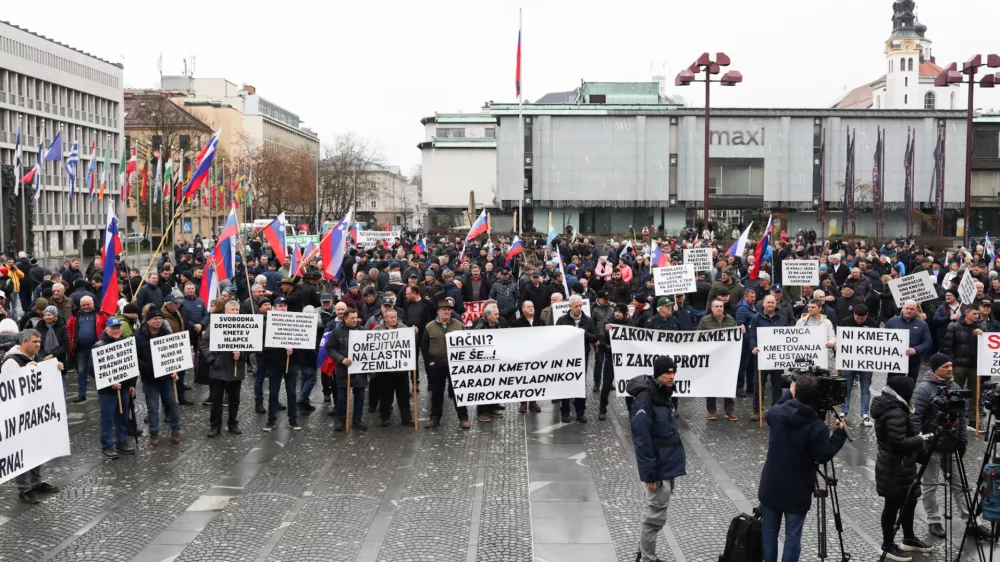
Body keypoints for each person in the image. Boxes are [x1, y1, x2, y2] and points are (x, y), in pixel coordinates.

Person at [758, 375, 847, 562]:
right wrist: (839, 434)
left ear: (794, 392)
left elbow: (774, 409)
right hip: (797, 489)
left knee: (768, 534)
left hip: (772, 484)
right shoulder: (817, 426)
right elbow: (823, 455)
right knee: (793, 537)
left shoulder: (777, 414)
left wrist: (789, 394)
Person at [911, 353, 981, 540]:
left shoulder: (956, 387)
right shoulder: (923, 389)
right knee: (930, 486)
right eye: (945, 366)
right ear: (935, 369)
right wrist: (920, 443)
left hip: (951, 445)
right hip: (931, 446)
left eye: (951, 365)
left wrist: (962, 440)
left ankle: (971, 521)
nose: (950, 369)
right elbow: (915, 418)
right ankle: (934, 520)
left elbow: (960, 416)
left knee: (961, 485)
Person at [627, 355, 686, 562]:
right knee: (653, 518)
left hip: (666, 466)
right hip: (658, 469)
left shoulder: (663, 394)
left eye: (673, 372)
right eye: (667, 372)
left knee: (654, 513)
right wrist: (650, 474)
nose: (672, 376)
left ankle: (643, 554)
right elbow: (642, 440)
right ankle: (647, 558)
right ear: (658, 373)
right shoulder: (646, 399)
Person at [871, 375, 932, 560]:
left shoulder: (895, 406)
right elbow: (899, 442)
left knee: (910, 500)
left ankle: (909, 538)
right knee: (892, 505)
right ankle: (887, 544)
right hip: (894, 468)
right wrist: (920, 440)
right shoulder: (895, 411)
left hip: (903, 466)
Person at [4, 329, 61, 504]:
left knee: (37, 449)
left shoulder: (36, 358)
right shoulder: (11, 362)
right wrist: (25, 373)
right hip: (20, 417)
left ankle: (36, 482)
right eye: (35, 342)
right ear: (24, 342)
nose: (38, 345)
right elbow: (8, 388)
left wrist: (55, 369)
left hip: (35, 414)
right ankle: (24, 488)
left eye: (39, 341)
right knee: (23, 452)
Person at [201, 299, 250, 437]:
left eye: (237, 310)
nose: (235, 312)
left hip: (236, 368)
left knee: (234, 399)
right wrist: (212, 359)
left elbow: (251, 344)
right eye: (232, 310)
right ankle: (215, 425)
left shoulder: (244, 325)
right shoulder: (216, 324)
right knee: (217, 399)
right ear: (226, 311)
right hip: (218, 368)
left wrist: (241, 354)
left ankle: (233, 423)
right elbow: (204, 343)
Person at [420, 297, 469, 429]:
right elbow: (424, 347)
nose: (447, 312)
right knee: (437, 392)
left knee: (459, 391)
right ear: (438, 311)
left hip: (455, 364)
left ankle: (463, 418)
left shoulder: (459, 325)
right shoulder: (429, 327)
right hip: (437, 365)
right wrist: (429, 363)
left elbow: (466, 345)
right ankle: (435, 417)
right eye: (444, 310)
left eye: (449, 310)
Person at [135, 308, 182, 445]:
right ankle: (154, 433)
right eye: (155, 319)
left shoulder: (166, 334)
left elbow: (175, 355)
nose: (158, 321)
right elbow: (136, 358)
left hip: (167, 378)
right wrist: (147, 368)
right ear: (148, 321)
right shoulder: (139, 337)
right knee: (153, 409)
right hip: (150, 380)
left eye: (160, 319)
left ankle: (176, 431)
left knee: (173, 405)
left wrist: (175, 370)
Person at [93, 317, 137, 459]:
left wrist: (131, 384)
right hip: (107, 391)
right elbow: (92, 370)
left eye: (118, 328)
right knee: (107, 419)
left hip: (123, 388)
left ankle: (121, 442)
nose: (116, 331)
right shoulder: (99, 346)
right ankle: (107, 446)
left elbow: (130, 365)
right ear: (107, 329)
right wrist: (109, 383)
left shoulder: (124, 343)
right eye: (113, 328)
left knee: (123, 416)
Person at [556, 295, 598, 423]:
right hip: (567, 357)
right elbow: (556, 338)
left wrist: (582, 332)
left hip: (581, 356)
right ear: (570, 307)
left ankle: (580, 412)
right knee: (566, 383)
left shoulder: (588, 321)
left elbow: (595, 337)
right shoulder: (562, 320)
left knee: (580, 384)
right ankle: (565, 411)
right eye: (576, 306)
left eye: (580, 306)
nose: (579, 308)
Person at [262, 297, 300, 432]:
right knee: (273, 392)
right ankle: (271, 420)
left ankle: (293, 420)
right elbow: (263, 346)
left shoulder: (294, 323)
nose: (283, 308)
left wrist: (293, 350)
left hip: (292, 362)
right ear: (274, 307)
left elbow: (302, 341)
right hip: (275, 363)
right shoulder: (268, 325)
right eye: (280, 306)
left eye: (285, 306)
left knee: (291, 392)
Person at [748, 294, 787, 422]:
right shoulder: (756, 318)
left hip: (777, 358)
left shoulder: (782, 319)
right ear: (763, 304)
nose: (770, 305)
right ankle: (756, 409)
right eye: (768, 302)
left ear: (775, 304)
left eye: (772, 302)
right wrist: (753, 347)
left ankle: (776, 409)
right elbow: (752, 336)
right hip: (762, 356)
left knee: (777, 384)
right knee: (759, 384)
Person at [327, 307, 367, 431]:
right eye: (352, 318)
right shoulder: (337, 332)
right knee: (341, 397)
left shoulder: (363, 330)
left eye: (356, 317)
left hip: (359, 369)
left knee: (360, 396)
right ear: (345, 319)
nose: (355, 320)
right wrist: (341, 359)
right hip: (343, 370)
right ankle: (341, 420)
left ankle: (357, 419)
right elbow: (330, 349)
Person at [699, 299, 739, 421]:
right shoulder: (705, 321)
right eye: (717, 306)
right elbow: (698, 336)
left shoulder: (731, 320)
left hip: (727, 358)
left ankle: (729, 410)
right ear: (712, 308)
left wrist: (740, 331)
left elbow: (736, 337)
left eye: (721, 306)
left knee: (728, 384)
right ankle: (711, 411)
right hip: (711, 358)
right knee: (711, 384)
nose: (719, 308)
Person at [373, 308, 413, 426]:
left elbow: (411, 346)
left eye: (395, 317)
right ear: (385, 318)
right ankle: (384, 417)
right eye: (391, 317)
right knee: (385, 396)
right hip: (385, 371)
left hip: (400, 370)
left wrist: (413, 335)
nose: (394, 319)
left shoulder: (404, 329)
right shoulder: (376, 330)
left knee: (404, 396)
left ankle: (406, 418)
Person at [67, 295, 107, 403]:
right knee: (81, 372)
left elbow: (106, 328)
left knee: (98, 372)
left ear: (93, 303)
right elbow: (69, 329)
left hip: (97, 348)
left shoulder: (100, 315)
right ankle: (81, 394)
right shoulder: (75, 316)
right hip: (81, 349)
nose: (85, 307)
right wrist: (72, 342)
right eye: (83, 305)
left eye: (88, 304)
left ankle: (102, 394)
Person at [600, 303, 631, 420]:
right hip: (611, 358)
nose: (617, 314)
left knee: (628, 385)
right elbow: (605, 341)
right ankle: (602, 408)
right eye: (616, 311)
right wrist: (607, 332)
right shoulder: (609, 323)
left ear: (625, 313)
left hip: (625, 359)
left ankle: (630, 409)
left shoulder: (630, 324)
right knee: (606, 384)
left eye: (619, 312)